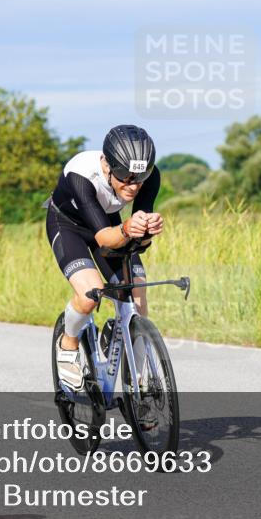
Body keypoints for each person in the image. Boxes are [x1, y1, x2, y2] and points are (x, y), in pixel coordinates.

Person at [45, 125, 164, 390]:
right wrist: (126, 228)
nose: (133, 186)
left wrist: (147, 231)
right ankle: (68, 344)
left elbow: (138, 240)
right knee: (91, 293)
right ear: (107, 165)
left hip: (108, 223)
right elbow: (104, 239)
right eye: (126, 177)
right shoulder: (81, 174)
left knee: (136, 293)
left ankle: (139, 384)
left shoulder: (149, 177)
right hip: (68, 226)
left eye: (141, 177)